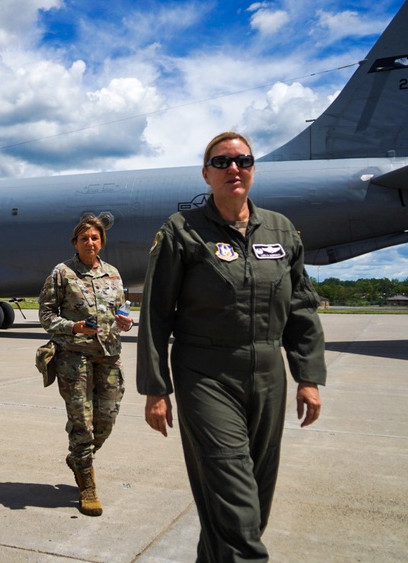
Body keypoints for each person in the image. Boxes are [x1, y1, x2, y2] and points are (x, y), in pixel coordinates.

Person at [137, 131, 326, 562]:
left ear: (253, 169)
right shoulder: (182, 231)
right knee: (234, 499)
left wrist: (308, 377)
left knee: (252, 500)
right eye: (221, 162)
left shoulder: (281, 230)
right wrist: (155, 388)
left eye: (242, 160)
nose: (233, 168)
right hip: (205, 374)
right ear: (206, 174)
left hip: (267, 374)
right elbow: (156, 314)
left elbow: (301, 307)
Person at [38, 216, 132, 517]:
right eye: (84, 238)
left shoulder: (113, 274)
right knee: (82, 421)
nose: (90, 243)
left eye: (95, 237)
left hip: (108, 355)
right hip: (73, 358)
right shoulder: (62, 273)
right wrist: (75, 326)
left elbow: (122, 309)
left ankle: (80, 458)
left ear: (101, 241)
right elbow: (46, 315)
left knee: (106, 421)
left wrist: (126, 321)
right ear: (75, 243)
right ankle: (87, 484)